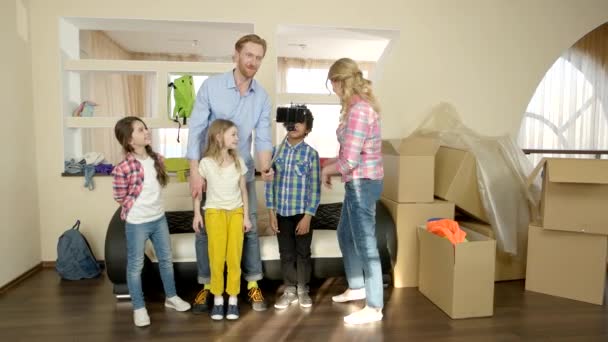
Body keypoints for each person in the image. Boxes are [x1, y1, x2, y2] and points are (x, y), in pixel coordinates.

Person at [187, 34, 273, 313]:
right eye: (249, 55)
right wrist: (194, 172)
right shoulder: (212, 87)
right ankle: (207, 286)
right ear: (236, 54)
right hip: (209, 172)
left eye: (259, 57)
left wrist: (265, 167)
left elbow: (262, 139)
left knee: (248, 230)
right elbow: (197, 131)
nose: (254, 62)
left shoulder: (261, 96)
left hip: (241, 172)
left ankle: (251, 285)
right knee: (204, 233)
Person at [321, 58, 385, 325]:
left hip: (362, 183)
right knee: (345, 233)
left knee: (365, 243)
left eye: (332, 83)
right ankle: (357, 286)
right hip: (356, 182)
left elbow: (349, 161)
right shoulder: (354, 108)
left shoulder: (359, 111)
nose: (333, 89)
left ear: (339, 81)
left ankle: (375, 307)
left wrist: (325, 170)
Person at [111, 116, 191, 327]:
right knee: (135, 265)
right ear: (129, 140)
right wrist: (136, 208)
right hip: (137, 223)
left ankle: (171, 297)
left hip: (159, 220)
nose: (146, 132)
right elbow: (119, 196)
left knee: (166, 259)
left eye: (145, 128)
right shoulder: (123, 168)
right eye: (140, 130)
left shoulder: (157, 159)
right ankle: (138, 307)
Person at [192, 119, 251, 320]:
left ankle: (232, 300)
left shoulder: (238, 162)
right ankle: (218, 300)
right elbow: (198, 193)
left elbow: (244, 191)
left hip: (235, 212)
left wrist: (246, 217)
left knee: (234, 258)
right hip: (214, 213)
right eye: (233, 134)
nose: (237, 138)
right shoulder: (205, 163)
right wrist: (197, 214)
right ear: (219, 137)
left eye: (237, 134)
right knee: (217, 258)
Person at [265, 110, 321, 310]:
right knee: (286, 253)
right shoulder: (275, 152)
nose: (295, 125)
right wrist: (271, 212)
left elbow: (315, 189)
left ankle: (303, 289)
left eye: (300, 122)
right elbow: (268, 185)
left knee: (302, 253)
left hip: (302, 213)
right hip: (281, 213)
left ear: (307, 129)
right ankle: (289, 289)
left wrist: (308, 216)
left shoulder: (311, 155)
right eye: (291, 121)